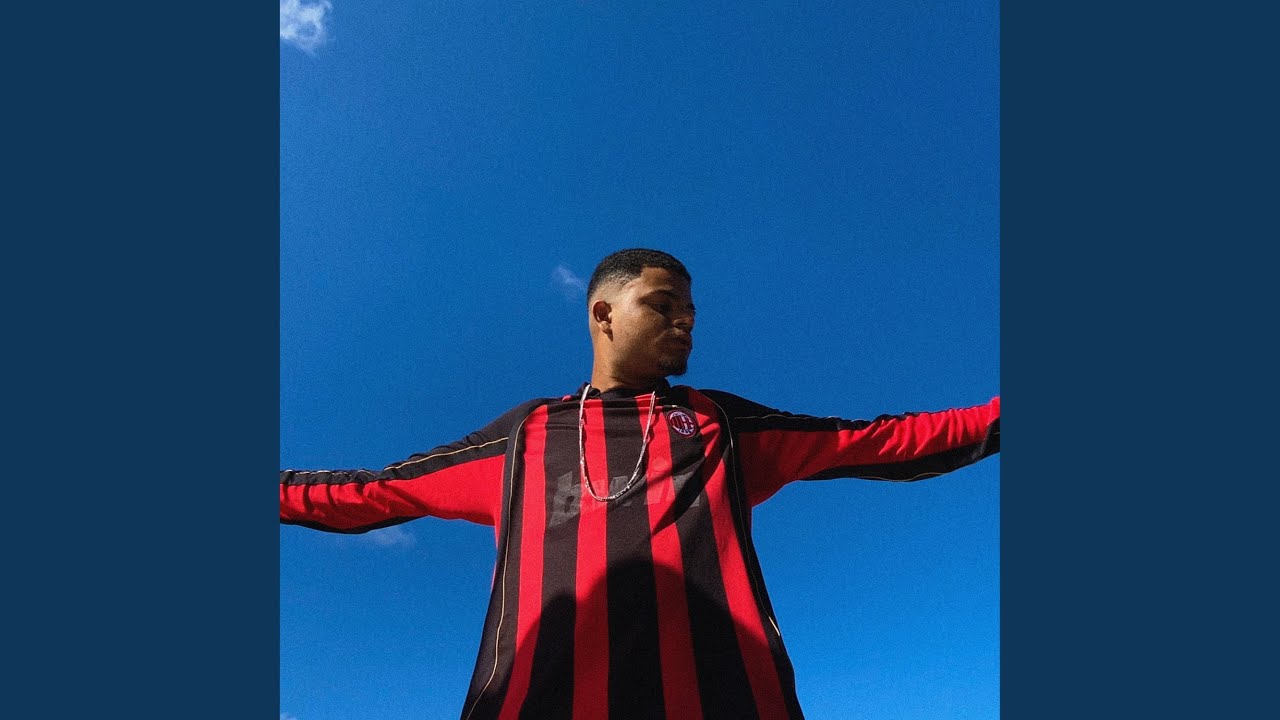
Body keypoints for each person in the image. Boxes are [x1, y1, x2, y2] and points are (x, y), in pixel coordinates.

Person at [281, 248, 1000, 720]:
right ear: (603, 313)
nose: (685, 321)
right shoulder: (527, 435)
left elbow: (878, 441)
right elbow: (370, 493)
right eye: (663, 304)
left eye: (690, 311)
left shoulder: (718, 422)